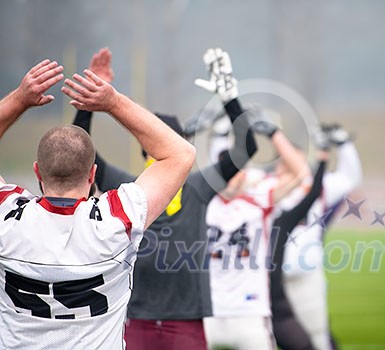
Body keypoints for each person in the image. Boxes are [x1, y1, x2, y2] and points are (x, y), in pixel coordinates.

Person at [0, 59, 195, 349]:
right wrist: (112, 102)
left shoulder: (7, 218)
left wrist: (19, 99)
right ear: (93, 174)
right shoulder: (116, 221)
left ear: (37, 171)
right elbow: (181, 153)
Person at [72, 47, 257, 350]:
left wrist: (229, 97)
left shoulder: (197, 186)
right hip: (137, 318)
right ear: (147, 146)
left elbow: (246, 148)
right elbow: (80, 152)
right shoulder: (129, 187)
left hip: (185, 319)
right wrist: (92, 98)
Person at [203, 113, 312, 350]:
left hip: (249, 311)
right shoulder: (202, 201)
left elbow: (303, 177)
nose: (232, 179)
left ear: (245, 173)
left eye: (237, 171)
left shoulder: (258, 200)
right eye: (226, 173)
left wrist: (275, 135)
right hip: (208, 311)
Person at [281, 124, 363, 350]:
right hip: (270, 280)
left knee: (317, 334)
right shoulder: (267, 187)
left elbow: (350, 177)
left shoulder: (320, 187)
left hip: (307, 275)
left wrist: (344, 144)